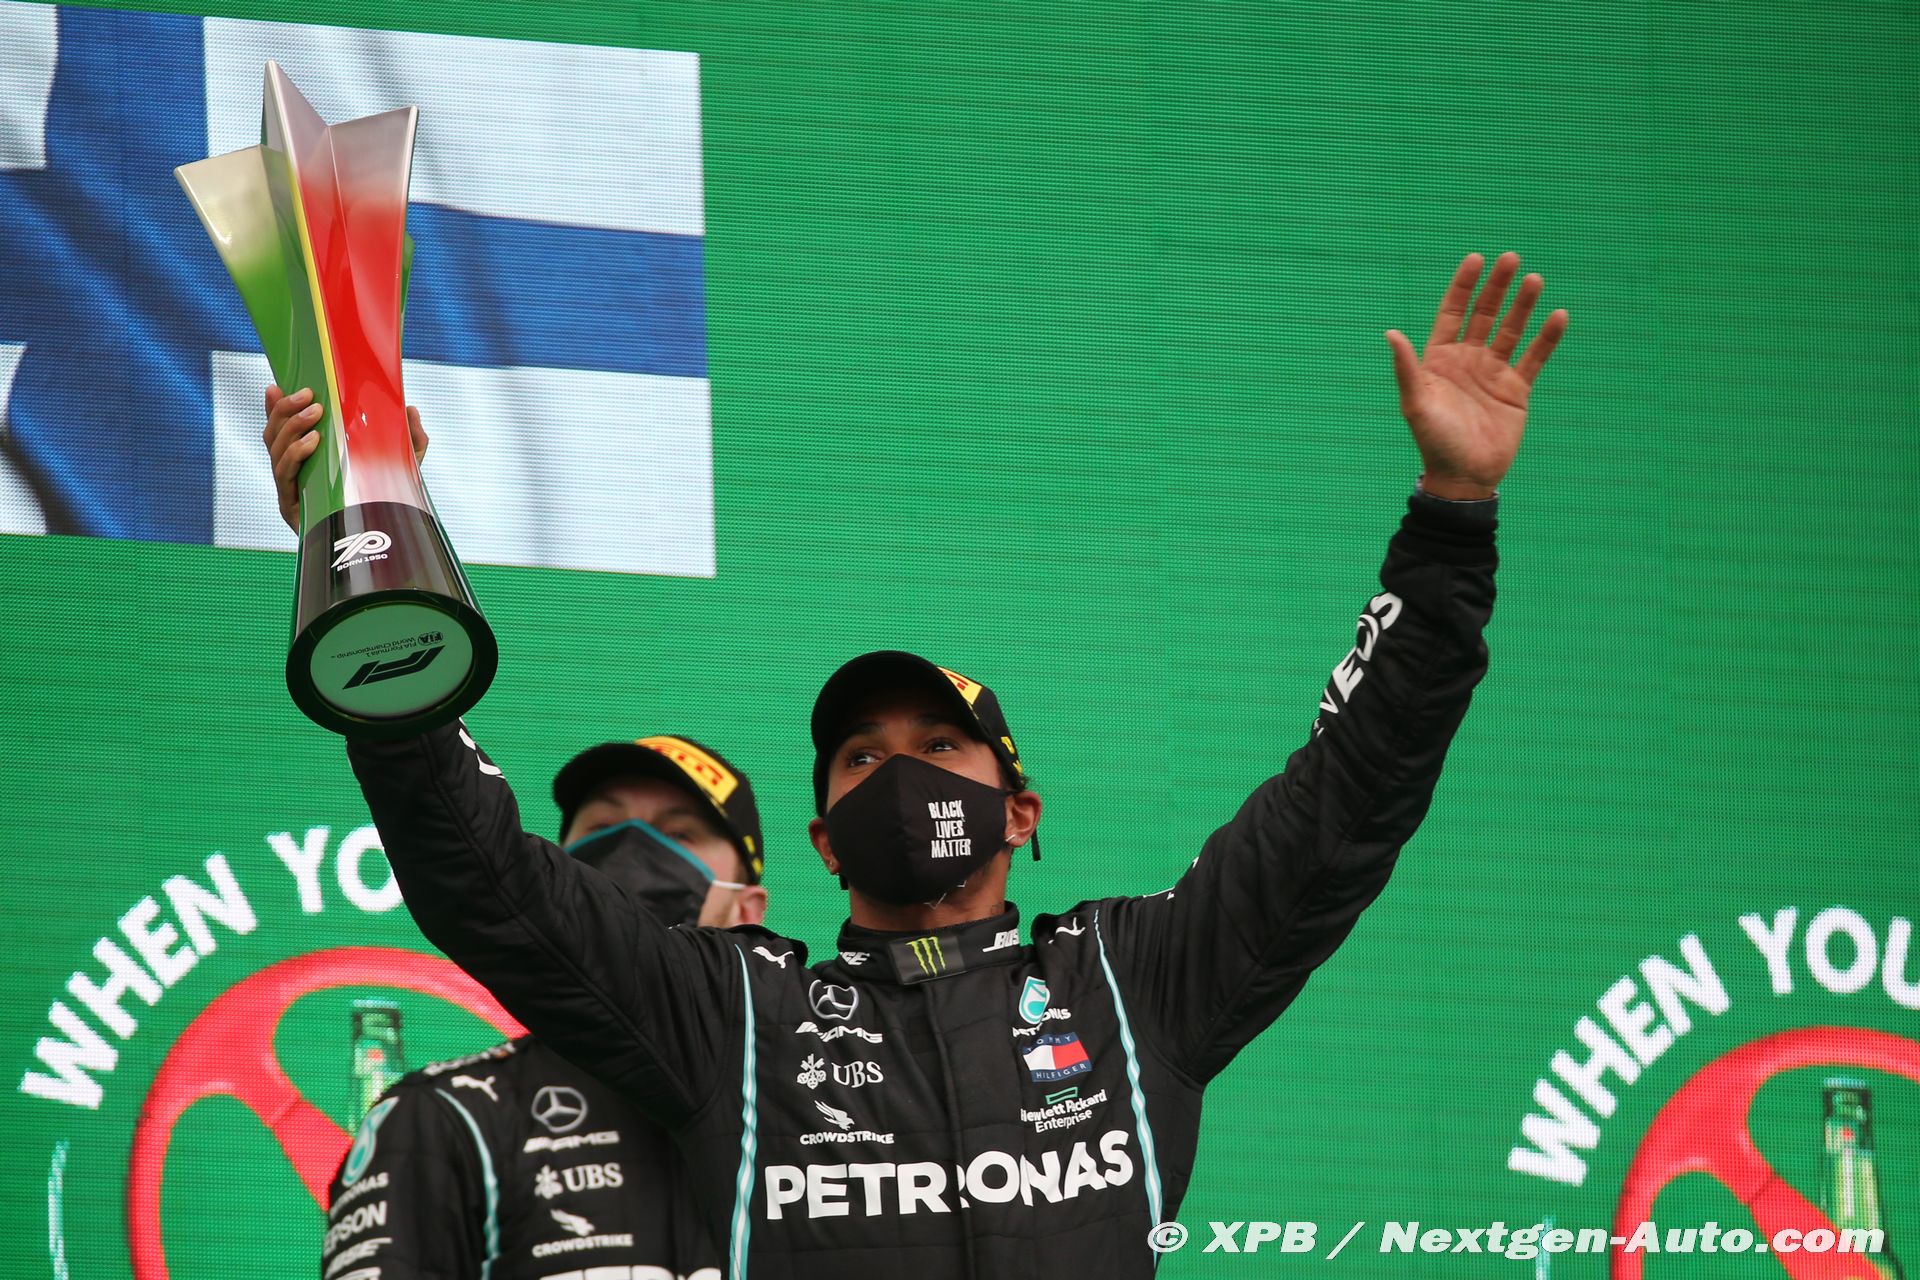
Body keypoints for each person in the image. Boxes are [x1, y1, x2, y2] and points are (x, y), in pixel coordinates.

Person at [295, 251, 1567, 1279]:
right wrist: (373, 563)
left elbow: (1352, 793)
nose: (901, 775)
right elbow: (484, 878)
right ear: (823, 839)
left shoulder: (1134, 983)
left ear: (1019, 809)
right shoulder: (738, 1016)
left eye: (940, 746)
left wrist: (1452, 517)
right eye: (861, 756)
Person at [269, 389, 770, 1280]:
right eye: (604, 828)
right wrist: (369, 553)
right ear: (554, 874)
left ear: (750, 903)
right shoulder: (444, 1118)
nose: (637, 852)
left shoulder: (829, 1095)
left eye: (680, 831)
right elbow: (463, 840)